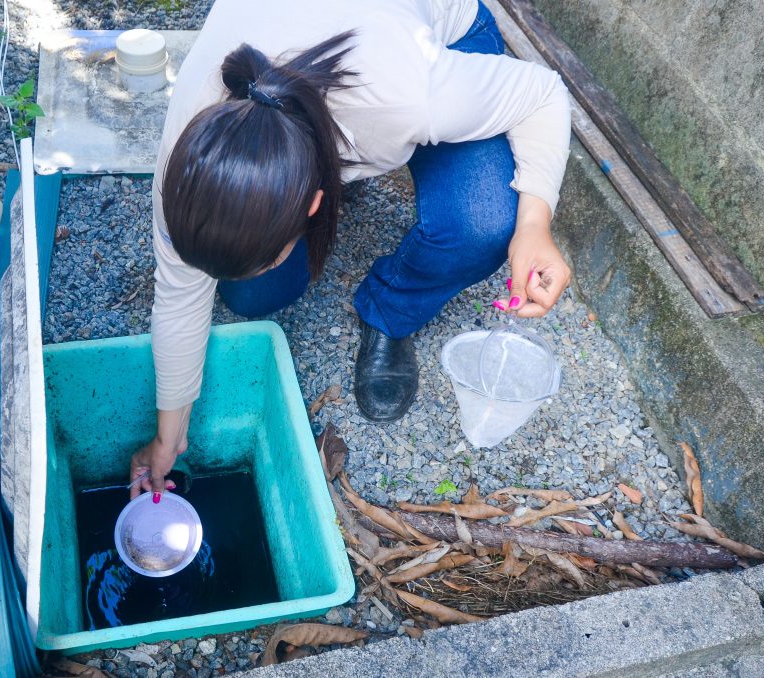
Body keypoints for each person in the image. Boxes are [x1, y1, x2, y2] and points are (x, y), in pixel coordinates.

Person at [130, 0, 572, 501]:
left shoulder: (410, 96)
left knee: (481, 222)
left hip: (431, 40)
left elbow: (542, 94)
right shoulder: (188, 146)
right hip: (358, 69)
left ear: (316, 202)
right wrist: (170, 438)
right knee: (253, 295)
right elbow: (179, 296)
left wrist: (535, 223)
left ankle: (391, 310)